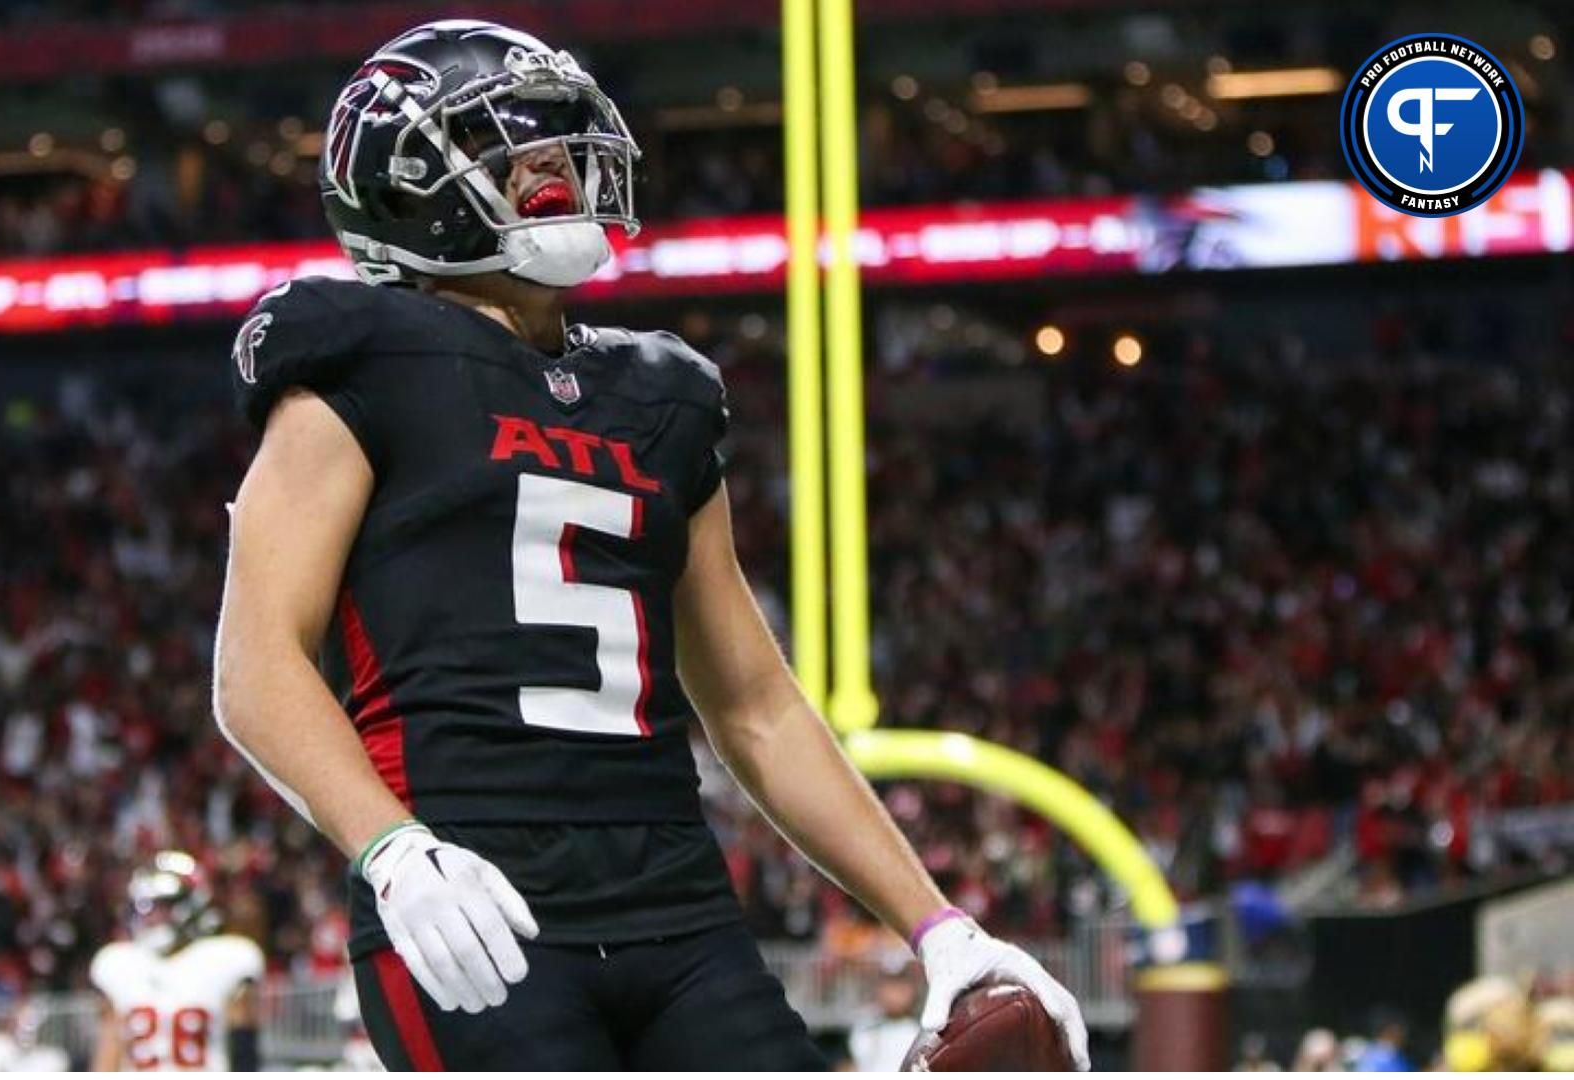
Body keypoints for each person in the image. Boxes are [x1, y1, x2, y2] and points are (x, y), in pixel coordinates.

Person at [213, 18, 1088, 1070]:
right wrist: (392, 851)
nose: (556, 169)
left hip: (677, 904)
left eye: (562, 144)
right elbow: (255, 670)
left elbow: (757, 709)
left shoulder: (660, 395)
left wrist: (941, 927)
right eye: (515, 147)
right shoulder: (362, 363)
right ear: (408, 185)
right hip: (478, 899)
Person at [88, 852, 264, 1071]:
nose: (154, 916)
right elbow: (108, 1050)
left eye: (165, 905)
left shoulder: (226, 958)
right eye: (147, 906)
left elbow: (243, 1052)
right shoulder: (118, 964)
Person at [847, 954, 926, 1071]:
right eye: (888, 985)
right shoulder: (863, 1025)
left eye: (899, 985)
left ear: (912, 988)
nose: (893, 993)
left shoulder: (924, 1029)